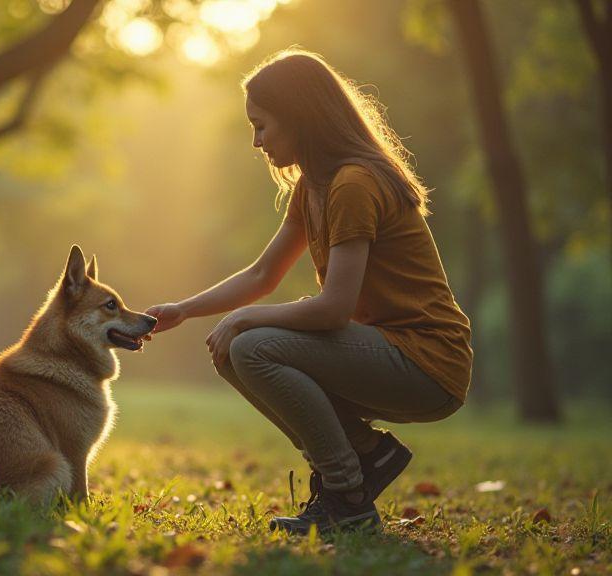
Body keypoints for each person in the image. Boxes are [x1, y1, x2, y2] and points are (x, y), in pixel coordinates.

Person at [145, 49, 473, 535]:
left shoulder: (353, 185)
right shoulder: (314, 188)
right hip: (389, 353)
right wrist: (184, 309)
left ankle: (348, 495)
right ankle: (368, 454)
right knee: (235, 350)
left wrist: (246, 319)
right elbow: (262, 274)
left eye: (261, 126)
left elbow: (335, 309)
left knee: (252, 345)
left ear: (299, 118)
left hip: (427, 362)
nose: (256, 142)